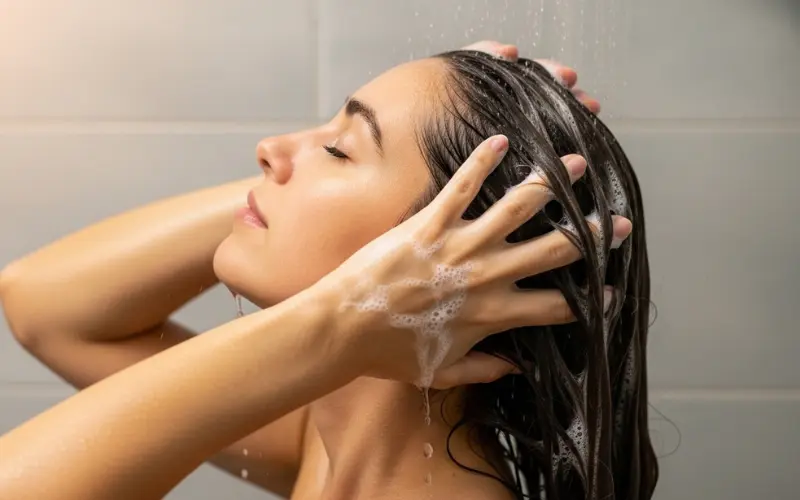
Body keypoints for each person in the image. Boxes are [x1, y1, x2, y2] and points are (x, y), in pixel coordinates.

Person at [0, 40, 655, 500]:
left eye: (339, 149)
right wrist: (343, 316)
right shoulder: (331, 445)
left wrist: (337, 322)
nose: (270, 150)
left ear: (457, 252)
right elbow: (43, 304)